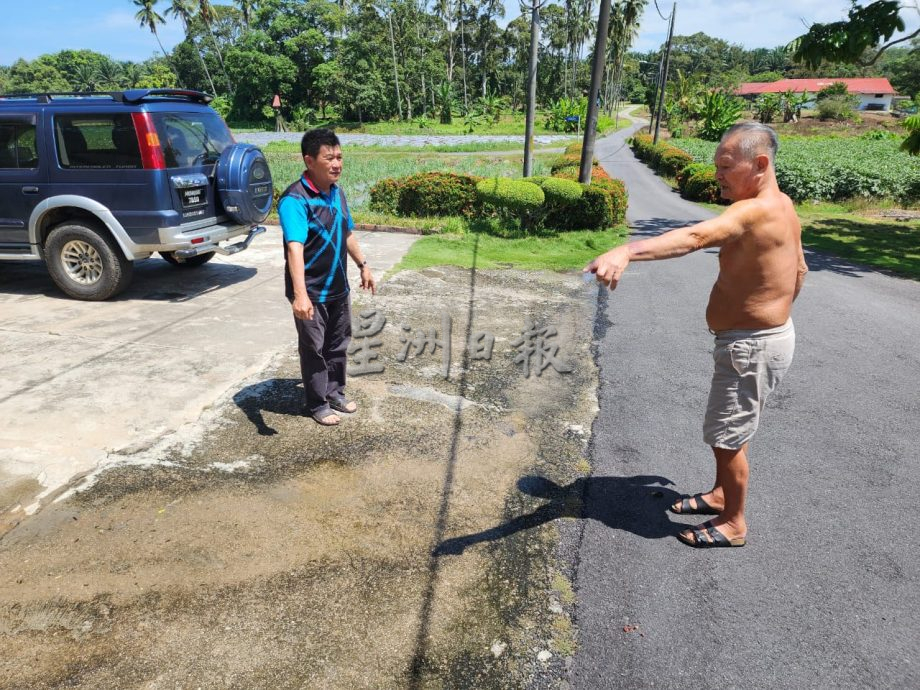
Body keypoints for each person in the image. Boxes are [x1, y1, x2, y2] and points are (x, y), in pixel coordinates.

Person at [585, 122, 808, 549]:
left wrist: (626, 250)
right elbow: (799, 268)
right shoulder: (782, 204)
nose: (717, 175)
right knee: (726, 431)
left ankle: (734, 522)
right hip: (756, 340)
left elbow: (695, 236)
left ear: (759, 164)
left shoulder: (753, 210)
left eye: (726, 166)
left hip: (751, 345)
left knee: (727, 436)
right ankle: (722, 494)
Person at [278, 128, 376, 427]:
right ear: (310, 160)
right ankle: (317, 403)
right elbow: (294, 248)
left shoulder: (337, 192)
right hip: (310, 289)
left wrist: (363, 264)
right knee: (314, 349)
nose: (337, 164)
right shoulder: (295, 199)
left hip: (337, 287)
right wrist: (300, 295)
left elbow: (346, 233)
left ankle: (335, 392)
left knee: (338, 344)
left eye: (340, 157)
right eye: (329, 158)